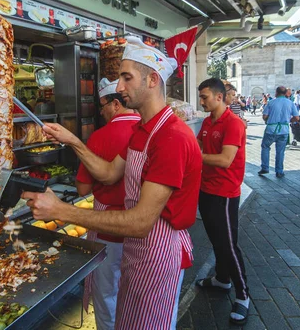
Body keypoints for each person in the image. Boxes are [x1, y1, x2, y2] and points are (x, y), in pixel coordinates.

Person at [24, 37, 203, 330]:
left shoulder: (171, 137)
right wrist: (72, 141)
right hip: (137, 250)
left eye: (126, 77)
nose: (119, 87)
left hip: (157, 251)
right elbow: (108, 174)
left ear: (152, 79)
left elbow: (141, 222)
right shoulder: (140, 130)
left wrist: (61, 211)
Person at [75, 78, 140, 330]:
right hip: (142, 232)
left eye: (102, 106)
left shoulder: (100, 137)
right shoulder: (147, 131)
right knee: (135, 293)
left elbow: (83, 188)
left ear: (115, 104)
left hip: (107, 230)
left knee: (106, 293)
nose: (100, 112)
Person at [195, 78, 250, 325]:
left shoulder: (234, 123)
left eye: (205, 97)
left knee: (228, 245)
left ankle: (243, 294)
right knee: (216, 240)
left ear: (220, 97)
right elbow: (196, 145)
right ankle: (222, 279)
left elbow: (226, 159)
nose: (201, 101)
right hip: (206, 189)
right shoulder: (207, 122)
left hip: (225, 193)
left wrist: (195, 156)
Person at [258, 86, 300, 178]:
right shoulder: (290, 103)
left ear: (276, 93)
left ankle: (265, 167)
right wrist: (289, 120)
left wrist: (270, 119)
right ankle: (279, 171)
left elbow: (264, 116)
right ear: (285, 93)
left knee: (265, 147)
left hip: (271, 129)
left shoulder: (271, 103)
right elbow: (297, 118)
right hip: (284, 130)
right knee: (280, 151)